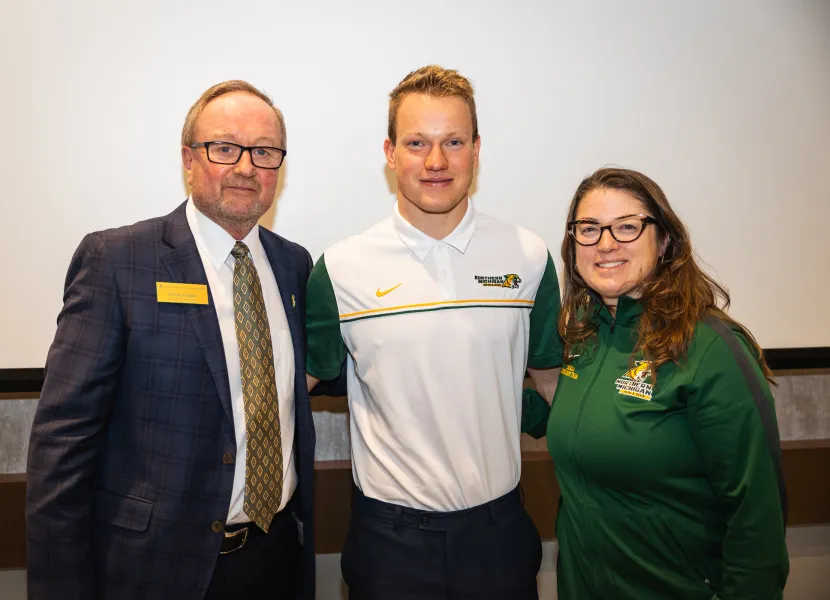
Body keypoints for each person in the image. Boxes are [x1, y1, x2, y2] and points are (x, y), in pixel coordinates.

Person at [26, 80, 318, 600]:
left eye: (265, 152)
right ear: (189, 159)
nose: (247, 167)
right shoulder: (118, 261)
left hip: (275, 559)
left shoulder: (294, 264)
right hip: (155, 569)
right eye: (225, 148)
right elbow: (62, 445)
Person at [305, 65, 563, 599]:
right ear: (390, 151)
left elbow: (554, 385)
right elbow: (293, 390)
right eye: (417, 142)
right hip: (388, 543)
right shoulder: (342, 268)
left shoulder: (529, 256)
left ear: (476, 148)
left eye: (454, 142)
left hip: (500, 535)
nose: (437, 161)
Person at [522, 167, 789, 599]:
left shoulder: (709, 347)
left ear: (664, 240)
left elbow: (755, 514)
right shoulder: (583, 337)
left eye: (627, 227)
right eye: (589, 229)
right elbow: (583, 419)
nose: (606, 244)